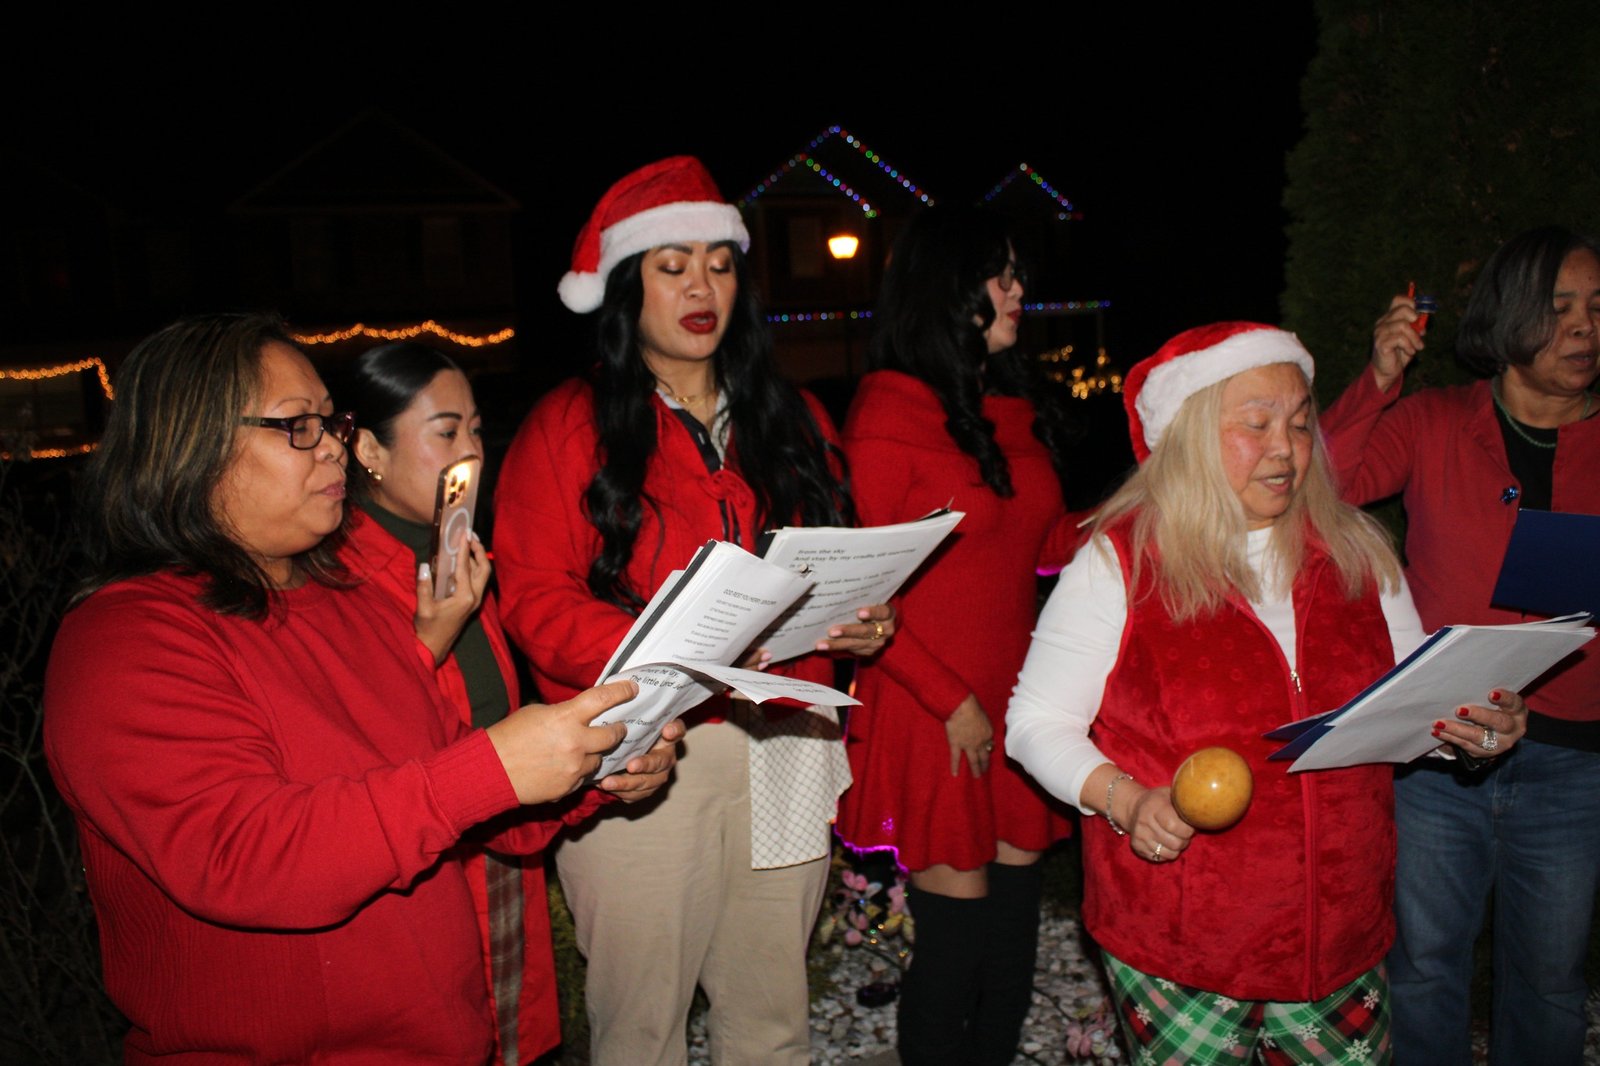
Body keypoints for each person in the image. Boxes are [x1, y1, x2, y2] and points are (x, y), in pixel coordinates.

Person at [43, 313, 680, 1065]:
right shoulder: (125, 640)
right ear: (194, 444)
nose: (334, 447)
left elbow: (459, 806)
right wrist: (493, 767)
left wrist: (594, 768)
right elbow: (243, 859)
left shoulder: (353, 604)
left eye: (332, 422)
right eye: (298, 426)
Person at [1006, 322, 1529, 1064]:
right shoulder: (1122, 560)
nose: (1285, 448)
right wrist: (1126, 800)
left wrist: (1472, 730)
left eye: (1300, 423)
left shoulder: (1355, 552)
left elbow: (1413, 706)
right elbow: (1036, 720)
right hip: (1181, 942)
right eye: (1256, 425)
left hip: (1341, 936)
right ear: (1189, 436)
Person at [492, 156, 893, 1066]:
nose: (701, 287)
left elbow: (840, 558)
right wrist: (673, 653)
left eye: (718, 264)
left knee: (772, 1016)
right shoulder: (569, 424)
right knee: (643, 1027)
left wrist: (869, 619)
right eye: (672, 266)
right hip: (647, 749)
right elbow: (535, 599)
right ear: (626, 287)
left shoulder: (794, 417)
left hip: (789, 738)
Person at [1319, 225, 1600, 1064]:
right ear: (1509, 315)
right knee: (1424, 968)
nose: (1584, 327)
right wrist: (1379, 379)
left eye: (1597, 308)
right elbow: (1328, 486)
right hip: (1439, 751)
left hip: (1573, 762)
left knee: (1552, 982)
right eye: (1560, 308)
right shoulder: (1436, 420)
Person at [831, 205, 1077, 1065]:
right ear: (946, 289)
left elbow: (1041, 546)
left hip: (1016, 700)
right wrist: (953, 702)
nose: (1017, 291)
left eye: (1018, 275)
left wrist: (1139, 507)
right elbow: (856, 596)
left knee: (1012, 943)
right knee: (956, 945)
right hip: (933, 705)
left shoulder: (1007, 408)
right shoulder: (887, 412)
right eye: (997, 277)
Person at [338, 339, 603, 1064]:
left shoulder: (453, 551)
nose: (472, 453)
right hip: (428, 866)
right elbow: (368, 739)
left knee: (513, 1036)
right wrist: (428, 639)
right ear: (369, 450)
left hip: (504, 840)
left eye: (478, 430)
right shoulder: (341, 575)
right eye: (446, 432)